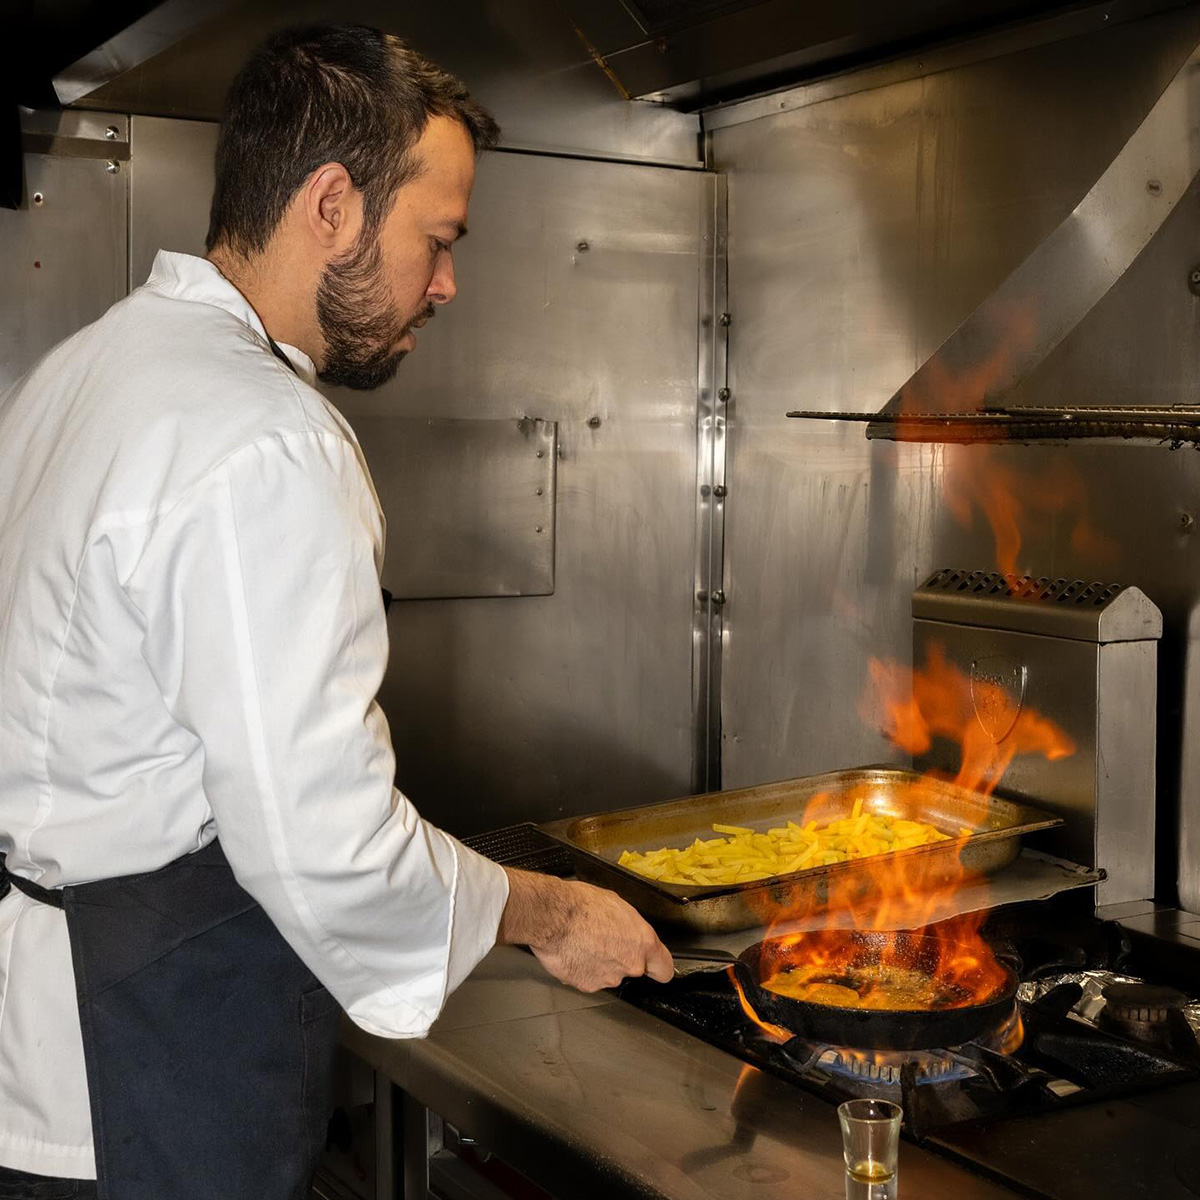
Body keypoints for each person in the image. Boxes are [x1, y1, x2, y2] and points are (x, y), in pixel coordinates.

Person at [0, 24, 673, 1199]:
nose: (448, 282)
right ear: (332, 205)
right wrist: (550, 911)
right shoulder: (267, 438)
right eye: (440, 238)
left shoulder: (87, 369)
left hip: (51, 1053)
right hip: (143, 1062)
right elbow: (325, 846)